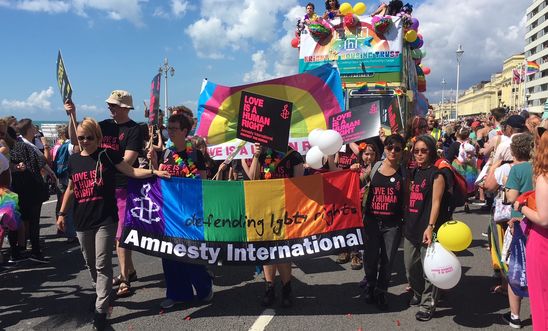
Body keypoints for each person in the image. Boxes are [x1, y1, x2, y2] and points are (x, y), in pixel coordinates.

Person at [56, 118, 170, 331]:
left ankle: (101, 308)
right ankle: (102, 293)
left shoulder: (107, 155)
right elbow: (71, 189)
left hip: (104, 220)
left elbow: (132, 171)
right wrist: (62, 213)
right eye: (81, 138)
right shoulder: (73, 160)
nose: (85, 141)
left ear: (98, 138)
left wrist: (154, 172)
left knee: (102, 264)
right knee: (91, 264)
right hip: (82, 220)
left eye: (90, 137)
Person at [67, 90, 144, 297]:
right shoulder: (102, 125)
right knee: (116, 236)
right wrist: (72, 115)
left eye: (115, 105)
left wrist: (103, 165)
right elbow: (77, 139)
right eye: (109, 104)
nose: (110, 107)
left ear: (126, 107)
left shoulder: (134, 129)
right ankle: (129, 270)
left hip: (122, 186)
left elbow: (127, 161)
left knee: (120, 235)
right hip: (101, 186)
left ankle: (125, 278)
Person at [148, 114, 213, 309]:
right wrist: (152, 163)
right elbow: (158, 181)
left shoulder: (196, 155)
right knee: (169, 254)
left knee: (190, 254)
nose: (170, 132)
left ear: (185, 131)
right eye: (169, 128)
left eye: (174, 128)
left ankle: (204, 288)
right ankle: (178, 293)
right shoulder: (166, 154)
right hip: (169, 212)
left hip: (189, 214)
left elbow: (202, 184)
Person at [249, 144, 304, 307]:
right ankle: (269, 288)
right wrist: (256, 156)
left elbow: (299, 185)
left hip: (285, 210)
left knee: (283, 252)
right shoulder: (262, 153)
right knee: (267, 250)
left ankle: (287, 289)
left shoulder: (293, 155)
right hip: (264, 209)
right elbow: (252, 179)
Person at [359, 134, 405, 310]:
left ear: (402, 152)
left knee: (387, 260)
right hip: (371, 221)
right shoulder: (375, 166)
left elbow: (406, 198)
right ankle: (370, 285)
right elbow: (357, 182)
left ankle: (381, 291)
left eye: (397, 148)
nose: (393, 151)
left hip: (392, 224)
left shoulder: (404, 172)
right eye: (389, 147)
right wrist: (353, 173)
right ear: (384, 149)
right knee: (370, 258)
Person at [404, 135, 445, 322]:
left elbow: (436, 203)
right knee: (410, 266)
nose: (419, 154)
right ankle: (419, 293)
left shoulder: (436, 174)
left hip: (426, 228)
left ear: (431, 152)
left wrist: (430, 227)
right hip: (411, 226)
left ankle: (428, 304)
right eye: (416, 151)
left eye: (423, 151)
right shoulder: (414, 172)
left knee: (429, 270)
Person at [9, 119, 57, 263]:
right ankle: (35, 251)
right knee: (34, 221)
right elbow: (41, 162)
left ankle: (16, 252)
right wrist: (52, 175)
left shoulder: (11, 148)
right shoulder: (26, 146)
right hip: (33, 187)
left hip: (17, 188)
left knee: (17, 220)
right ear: (29, 130)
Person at [500, 133, 534, 329]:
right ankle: (537, 310)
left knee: (516, 267)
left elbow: (512, 197)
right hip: (536, 221)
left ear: (514, 150)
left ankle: (515, 316)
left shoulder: (517, 170)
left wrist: (505, 185)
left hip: (518, 221)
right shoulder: (538, 168)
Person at [516, 125, 548, 331]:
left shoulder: (544, 178)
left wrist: (522, 207)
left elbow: (543, 219)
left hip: (542, 243)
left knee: (542, 301)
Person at [451, 142, 478, 213]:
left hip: (467, 173)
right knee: (457, 188)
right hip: (459, 170)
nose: (469, 155)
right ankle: (453, 206)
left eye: (470, 153)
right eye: (468, 153)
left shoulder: (472, 160)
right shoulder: (456, 161)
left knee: (465, 189)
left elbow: (474, 166)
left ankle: (465, 202)